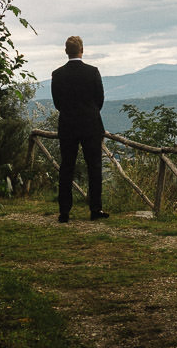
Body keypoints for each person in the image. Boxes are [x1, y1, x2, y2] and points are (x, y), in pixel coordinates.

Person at [51, 35, 109, 223]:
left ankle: (64, 211)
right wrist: (90, 113)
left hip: (68, 125)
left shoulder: (57, 74)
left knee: (66, 168)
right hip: (90, 125)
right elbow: (99, 99)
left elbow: (57, 103)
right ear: (82, 50)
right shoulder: (92, 72)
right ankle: (95, 209)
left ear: (66, 51)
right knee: (95, 167)